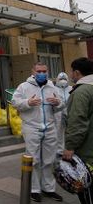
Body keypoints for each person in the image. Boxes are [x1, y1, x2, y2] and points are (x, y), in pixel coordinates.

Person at [12, 62, 64, 202]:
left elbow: (62, 105)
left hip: (50, 127)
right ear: (33, 71)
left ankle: (49, 189)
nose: (42, 73)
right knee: (33, 160)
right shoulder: (24, 87)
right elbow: (14, 102)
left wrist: (57, 103)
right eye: (39, 71)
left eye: (44, 71)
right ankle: (34, 189)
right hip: (31, 127)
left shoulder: (51, 86)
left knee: (50, 159)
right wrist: (28, 103)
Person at [63, 57, 93, 204]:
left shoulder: (81, 92)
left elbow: (77, 122)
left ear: (77, 72)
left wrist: (70, 147)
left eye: (71, 72)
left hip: (88, 153)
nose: (70, 75)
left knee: (87, 191)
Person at [54, 72, 72, 154]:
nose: (63, 81)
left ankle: (70, 149)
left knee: (71, 132)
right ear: (57, 80)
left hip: (70, 113)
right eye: (61, 79)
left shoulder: (71, 88)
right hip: (58, 114)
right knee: (59, 132)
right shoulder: (54, 89)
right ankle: (60, 151)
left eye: (64, 79)